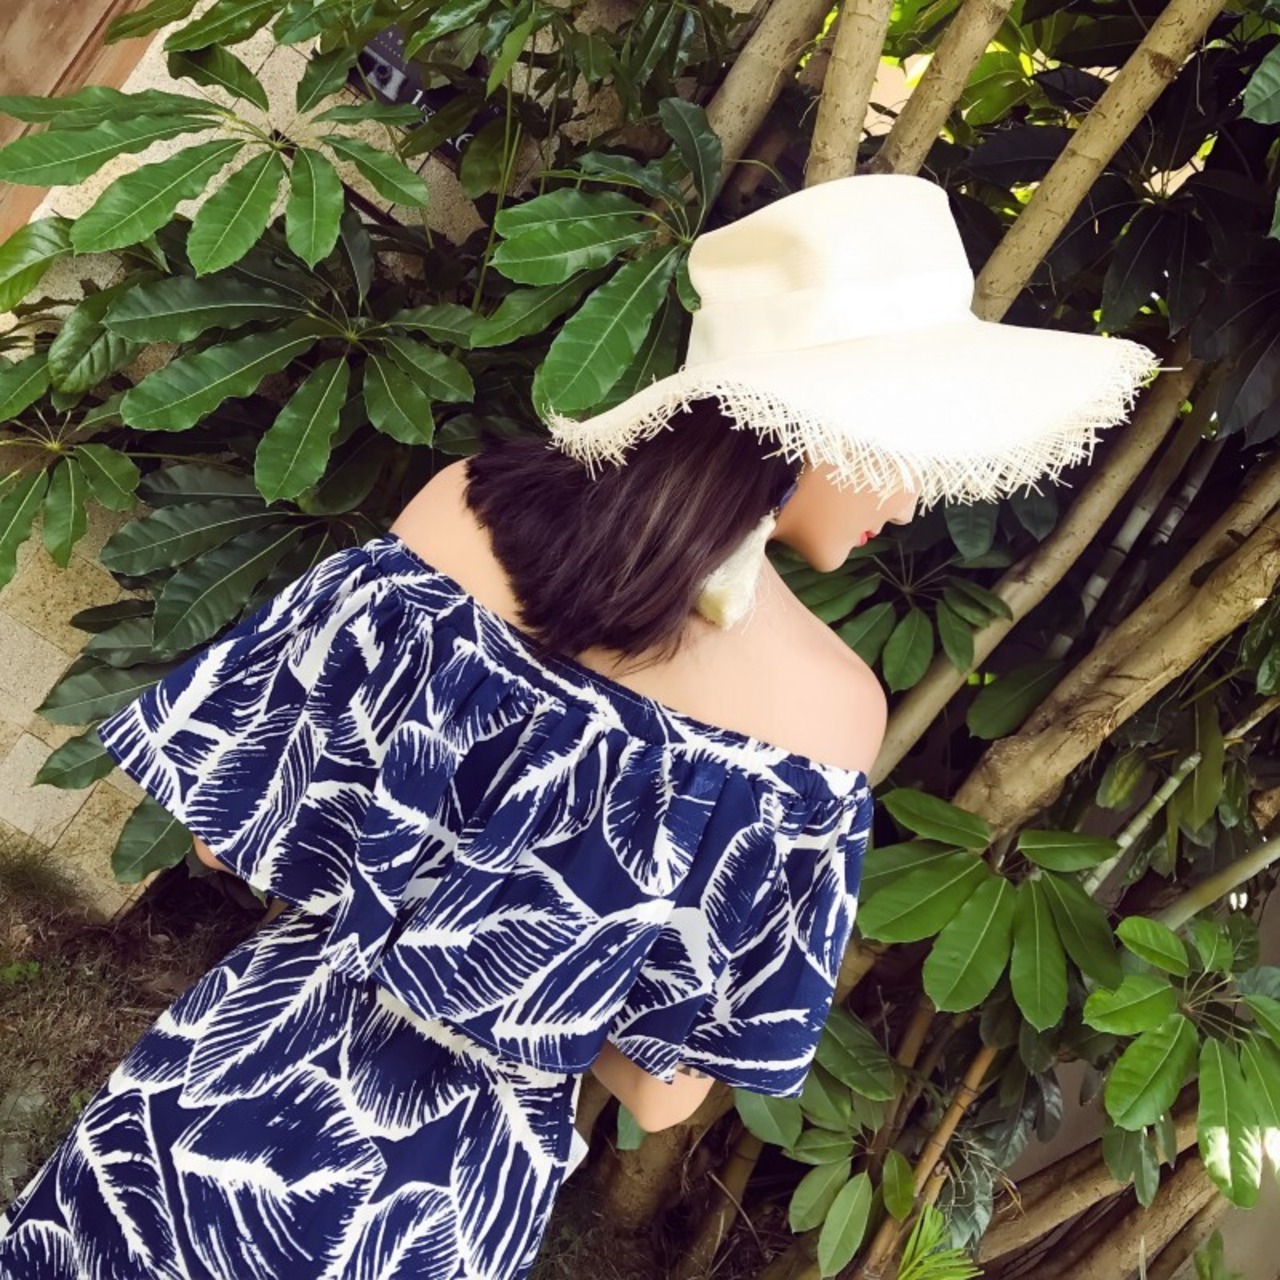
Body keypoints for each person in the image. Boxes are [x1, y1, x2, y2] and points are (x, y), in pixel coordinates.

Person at [0, 173, 1160, 1279]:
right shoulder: (825, 715)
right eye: (907, 446)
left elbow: (227, 838)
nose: (908, 500)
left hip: (208, 1094)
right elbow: (661, 1085)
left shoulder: (462, 509)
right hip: (433, 1198)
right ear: (821, 419)